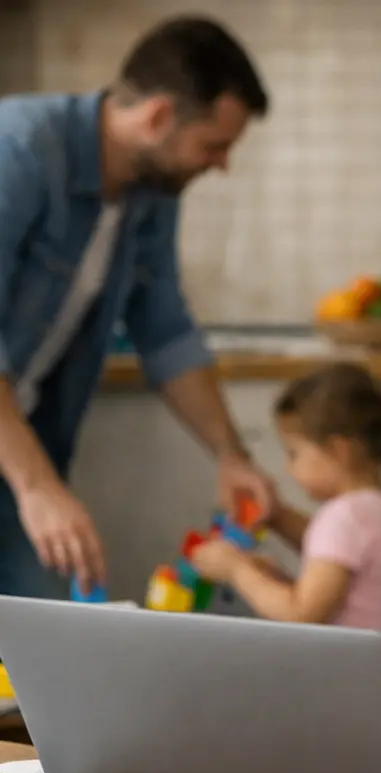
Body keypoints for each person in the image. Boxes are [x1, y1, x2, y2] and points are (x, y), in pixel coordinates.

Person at [0, 15, 276, 600]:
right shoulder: (18, 151)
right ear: (156, 118)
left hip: (19, 442)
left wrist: (231, 455)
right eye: (214, 145)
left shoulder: (150, 194)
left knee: (38, 640)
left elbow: (166, 331)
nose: (221, 164)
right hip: (19, 459)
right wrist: (36, 487)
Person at [190, 363, 381, 630]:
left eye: (295, 454)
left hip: (351, 665)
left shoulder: (344, 518)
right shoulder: (379, 506)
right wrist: (278, 518)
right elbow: (332, 550)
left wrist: (237, 570)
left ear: (339, 451)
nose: (288, 468)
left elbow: (300, 613)